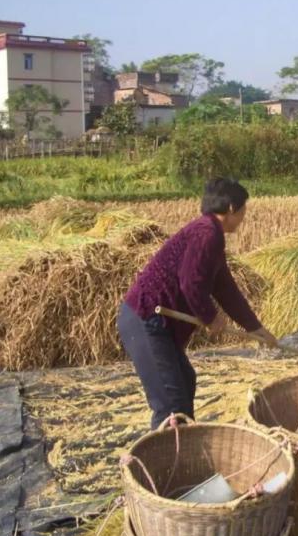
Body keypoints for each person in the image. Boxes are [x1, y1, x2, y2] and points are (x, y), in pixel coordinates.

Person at [117, 177, 277, 429]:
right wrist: (210, 317)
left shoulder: (209, 233)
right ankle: (166, 464)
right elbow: (190, 283)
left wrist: (253, 327)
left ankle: (182, 455)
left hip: (156, 323)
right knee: (172, 407)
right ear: (233, 209)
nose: (245, 216)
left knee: (185, 381)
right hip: (145, 318)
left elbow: (225, 288)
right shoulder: (206, 233)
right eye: (244, 209)